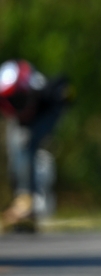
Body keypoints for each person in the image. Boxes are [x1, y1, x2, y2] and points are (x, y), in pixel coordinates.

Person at [0, 59, 73, 232]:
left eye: (16, 100)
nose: (11, 105)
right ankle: (24, 204)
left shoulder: (46, 90)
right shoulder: (9, 99)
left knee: (26, 142)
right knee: (14, 148)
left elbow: (67, 94)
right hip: (25, 121)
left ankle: (27, 201)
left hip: (47, 113)